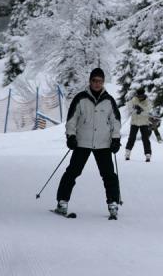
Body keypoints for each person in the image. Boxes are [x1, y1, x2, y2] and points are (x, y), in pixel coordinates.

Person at [55, 68, 122, 219]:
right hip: (82, 142)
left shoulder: (109, 100)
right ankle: (62, 202)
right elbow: (72, 119)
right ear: (90, 81)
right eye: (94, 81)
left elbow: (115, 122)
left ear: (103, 82)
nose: (97, 84)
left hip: (103, 143)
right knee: (72, 172)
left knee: (109, 175)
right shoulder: (80, 98)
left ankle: (113, 204)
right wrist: (70, 136)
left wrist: (116, 139)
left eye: (100, 81)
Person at [125, 87, 153, 162]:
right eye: (139, 96)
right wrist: (135, 110)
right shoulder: (133, 100)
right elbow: (129, 109)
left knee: (145, 139)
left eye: (141, 96)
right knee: (132, 138)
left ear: (144, 95)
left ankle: (148, 154)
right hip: (135, 122)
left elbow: (148, 110)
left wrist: (141, 109)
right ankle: (127, 152)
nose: (140, 97)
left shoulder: (147, 101)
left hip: (144, 123)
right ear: (137, 95)